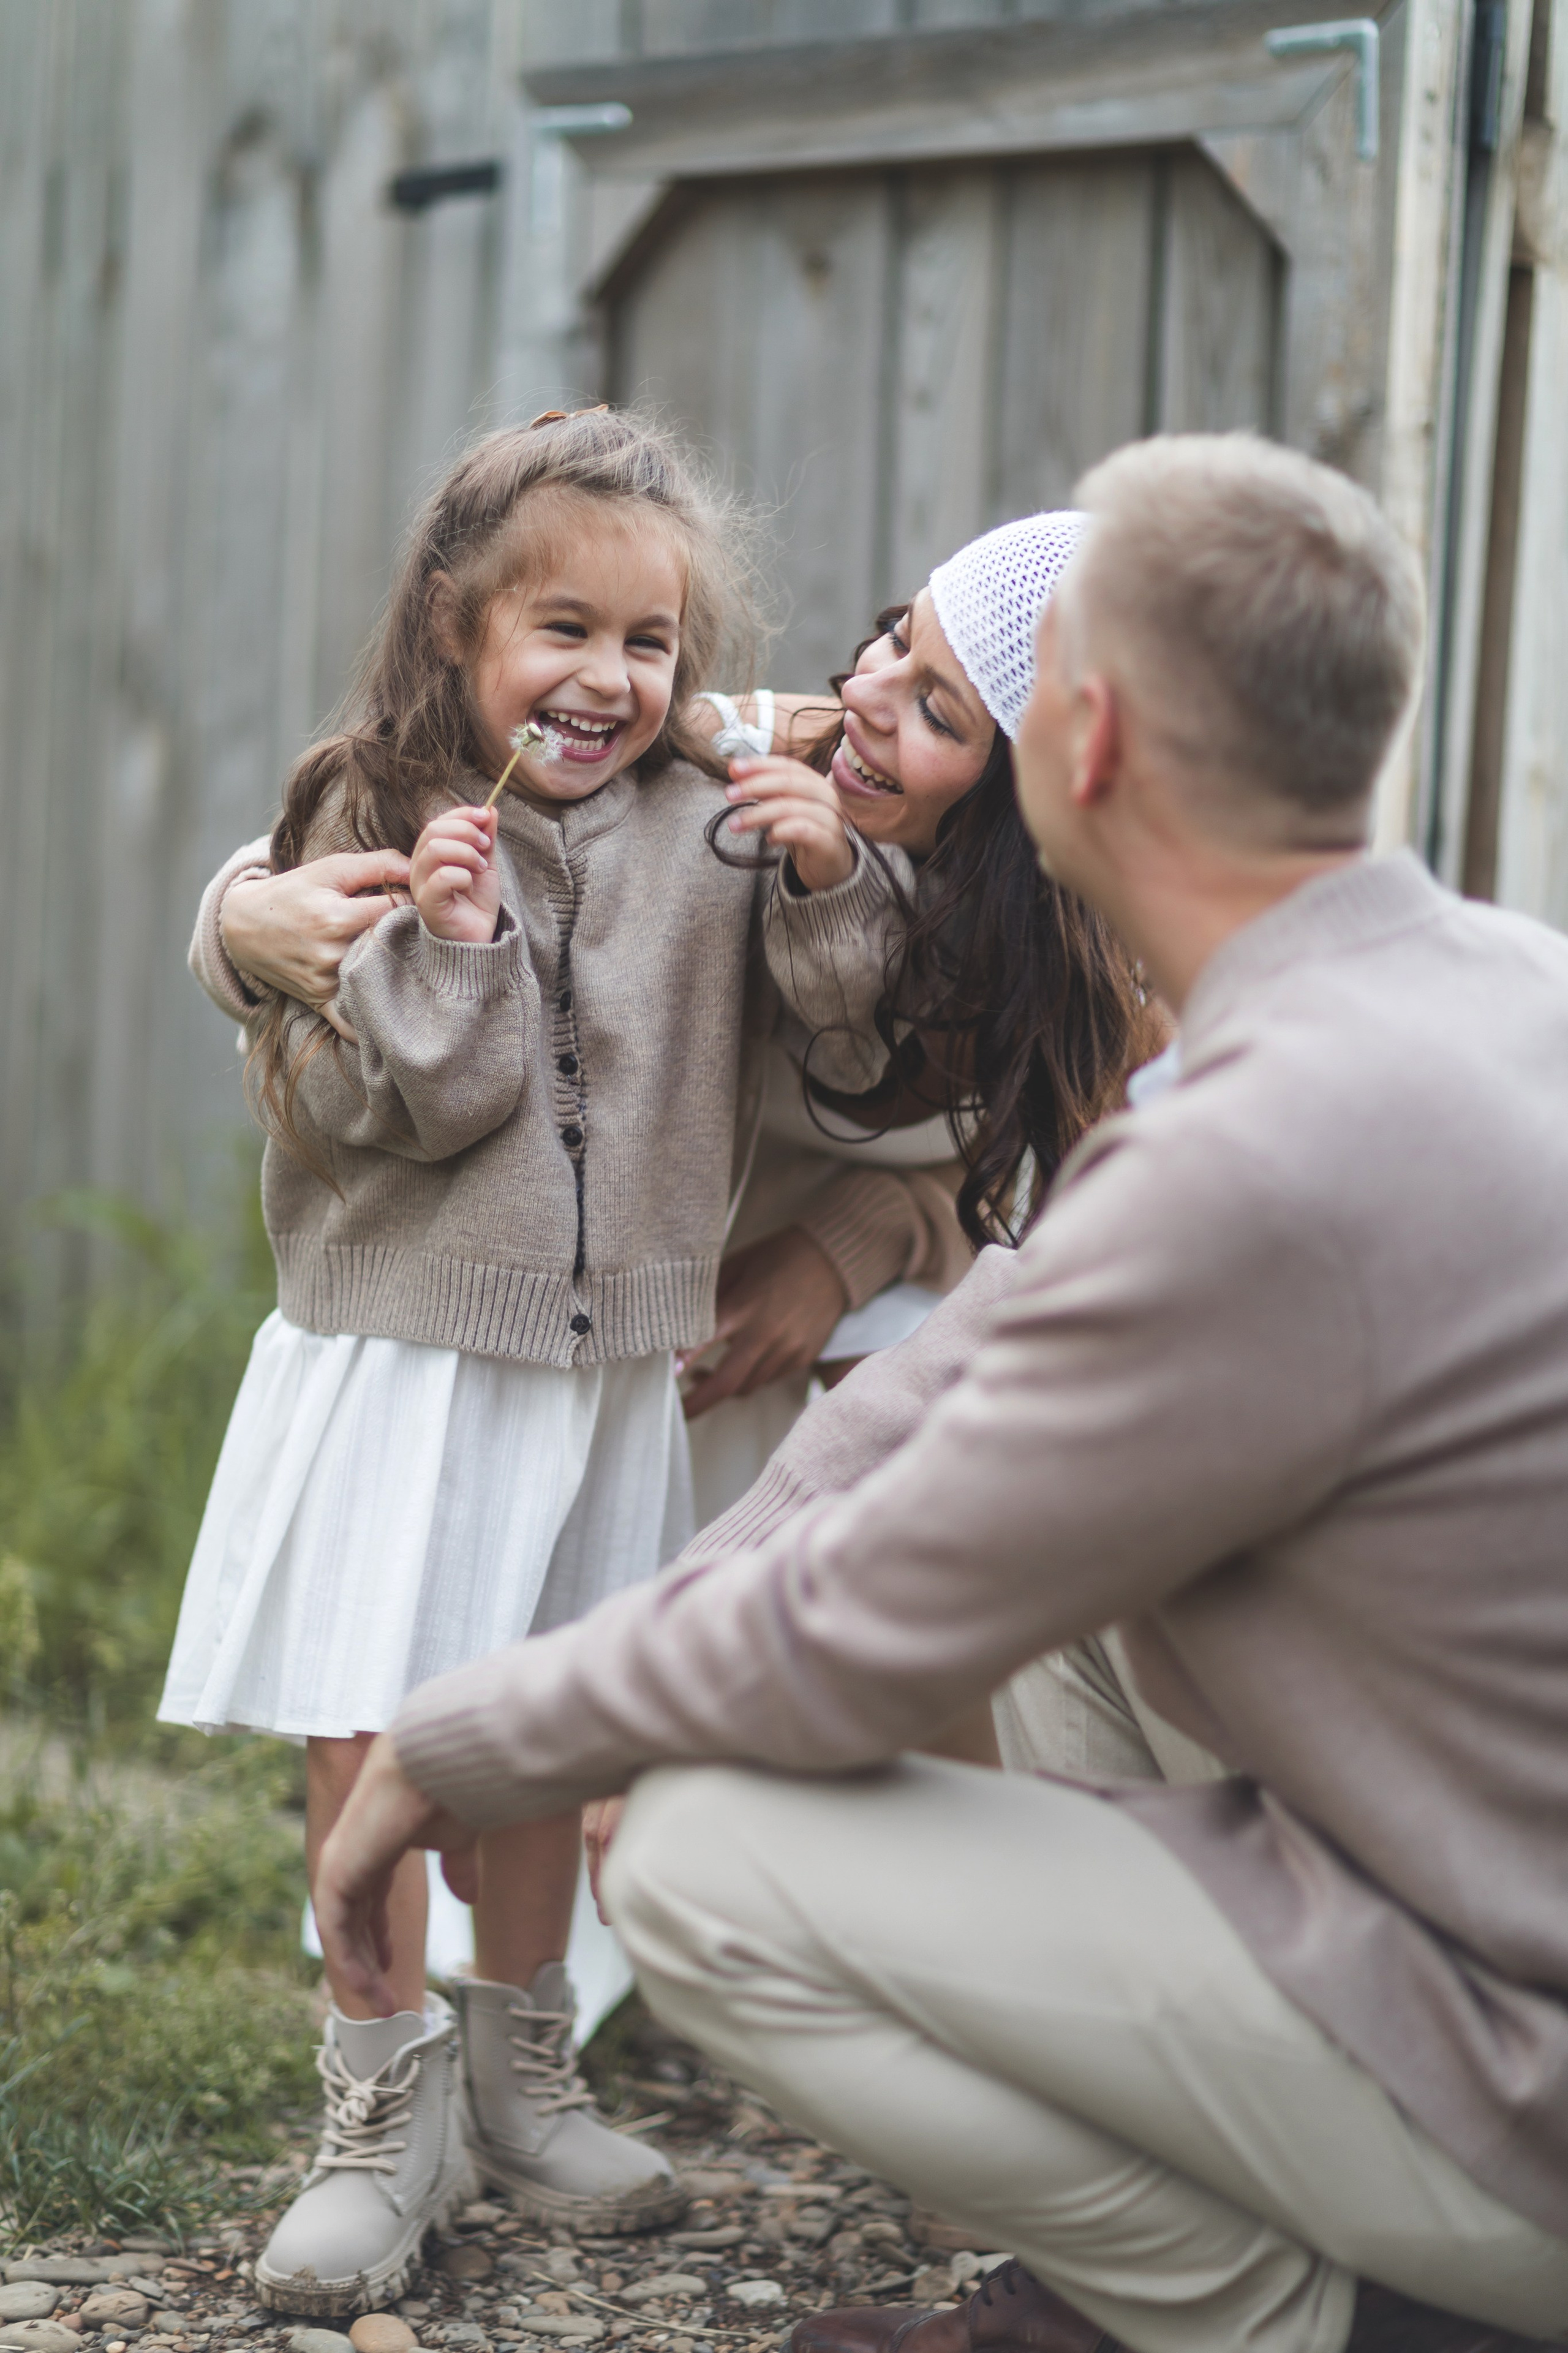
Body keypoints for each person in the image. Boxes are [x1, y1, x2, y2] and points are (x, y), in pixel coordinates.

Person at [314, 433, 1568, 2353]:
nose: (865, 712)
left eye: (955, 691)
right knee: (1072, 1648)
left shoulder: (1259, 1145)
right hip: (1476, 1892)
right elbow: (926, 1405)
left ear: (1081, 749)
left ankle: (1261, 2322)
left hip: (1521, 2092)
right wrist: (249, 913)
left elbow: (883, 1617)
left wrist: (482, 1735)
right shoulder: (1498, 982)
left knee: (722, 1852)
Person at [158, 406, 907, 2314]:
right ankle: (377, 2097)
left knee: (555, 1728)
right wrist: (454, 940)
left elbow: (846, 1032)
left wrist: (826, 876)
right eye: (559, 629)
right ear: (455, 624)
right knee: (378, 1723)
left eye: (649, 643)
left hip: (598, 1373)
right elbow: (422, 1104)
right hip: (407, 1356)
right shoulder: (368, 808)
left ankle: (522, 2065)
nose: (605, 677)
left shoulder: (713, 814)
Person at [194, 516, 1159, 1525]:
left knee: (929, 1444)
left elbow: (1070, 1233)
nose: (862, 692)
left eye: (937, 711)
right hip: (645, 1267)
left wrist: (850, 1246)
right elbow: (433, 807)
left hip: (897, 1280)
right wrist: (237, 915)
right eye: (896, 634)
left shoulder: (1126, 983)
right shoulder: (774, 759)